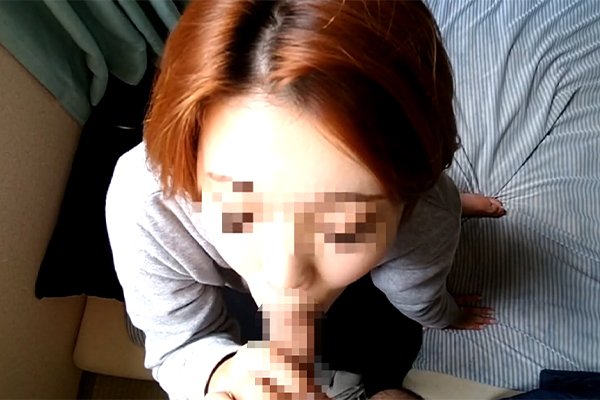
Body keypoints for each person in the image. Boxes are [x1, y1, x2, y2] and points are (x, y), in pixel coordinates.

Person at [105, 1, 503, 399]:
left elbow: (418, 295)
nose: (284, 276)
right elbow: (177, 345)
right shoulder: (147, 204)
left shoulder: (424, 219)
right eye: (239, 211)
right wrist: (220, 373)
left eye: (345, 226)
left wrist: (443, 315)